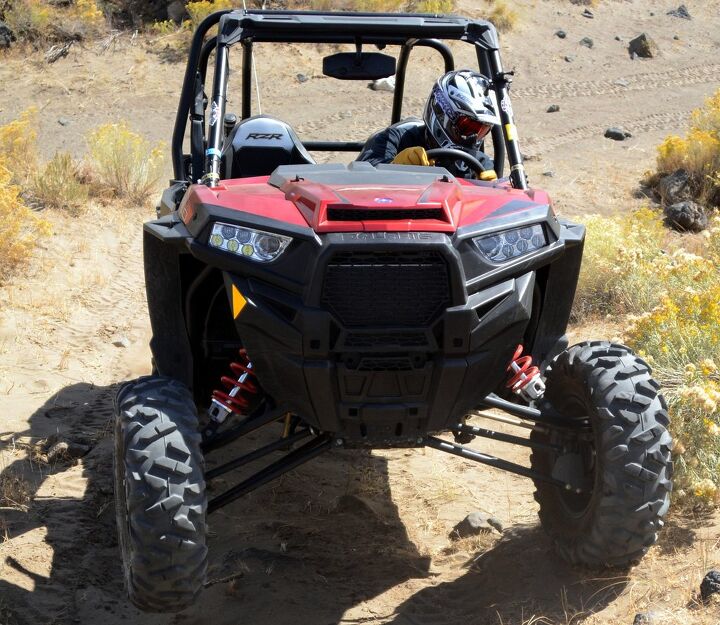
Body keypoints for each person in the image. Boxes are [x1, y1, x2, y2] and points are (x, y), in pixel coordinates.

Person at [358, 69, 501, 180]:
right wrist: (394, 167)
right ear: (442, 115)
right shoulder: (394, 139)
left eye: (483, 130)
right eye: (468, 127)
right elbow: (360, 175)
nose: (473, 137)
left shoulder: (479, 163)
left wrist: (490, 190)